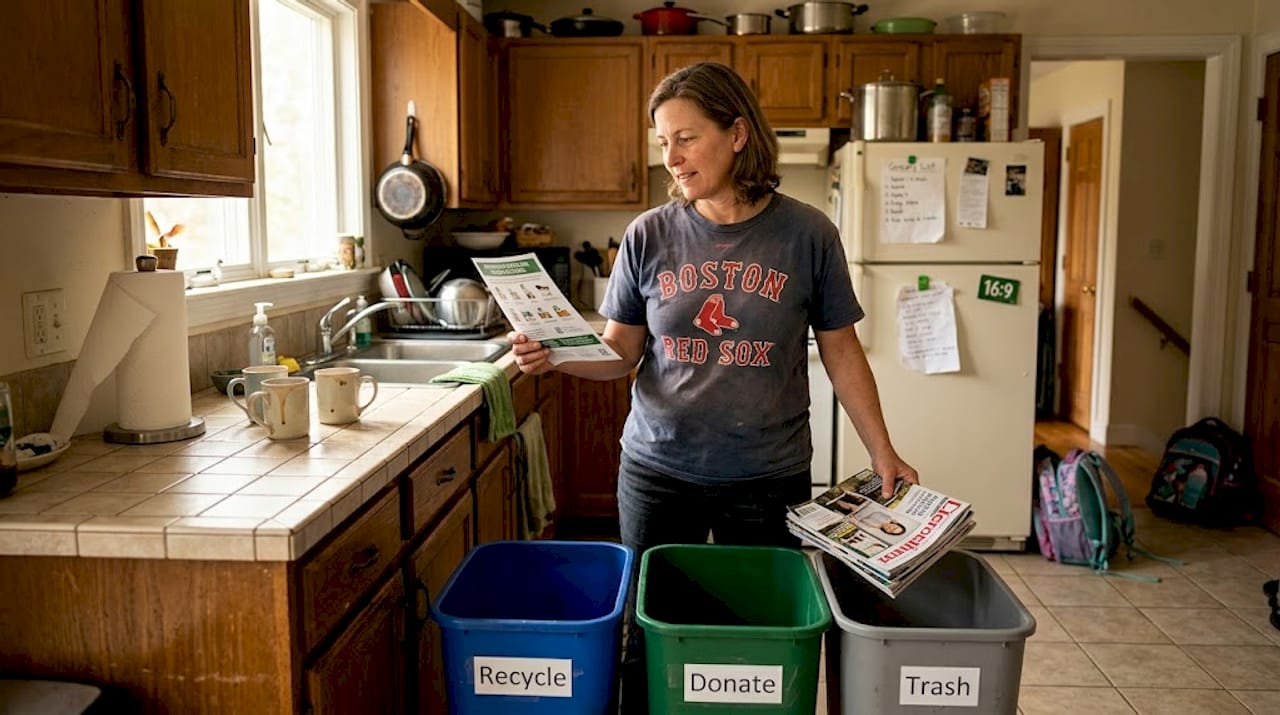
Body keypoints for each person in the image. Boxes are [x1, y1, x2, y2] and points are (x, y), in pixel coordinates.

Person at [506, 61, 916, 709]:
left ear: (738, 134)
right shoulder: (649, 235)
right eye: (662, 140)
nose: (671, 156)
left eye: (686, 137)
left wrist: (882, 450)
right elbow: (619, 355)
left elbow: (841, 350)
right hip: (658, 469)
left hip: (767, 473)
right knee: (647, 632)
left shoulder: (807, 234)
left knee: (759, 635)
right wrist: (554, 356)